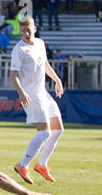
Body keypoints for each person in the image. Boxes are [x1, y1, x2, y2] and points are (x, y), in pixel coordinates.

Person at [10, 16, 64, 184]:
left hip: (44, 94)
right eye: (23, 30)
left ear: (34, 28)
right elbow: (13, 76)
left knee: (58, 130)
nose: (26, 33)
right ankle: (23, 165)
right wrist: (21, 92)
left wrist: (57, 79)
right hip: (32, 96)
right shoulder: (19, 49)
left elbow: (45, 64)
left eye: (28, 29)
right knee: (45, 132)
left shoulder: (40, 43)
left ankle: (42, 165)